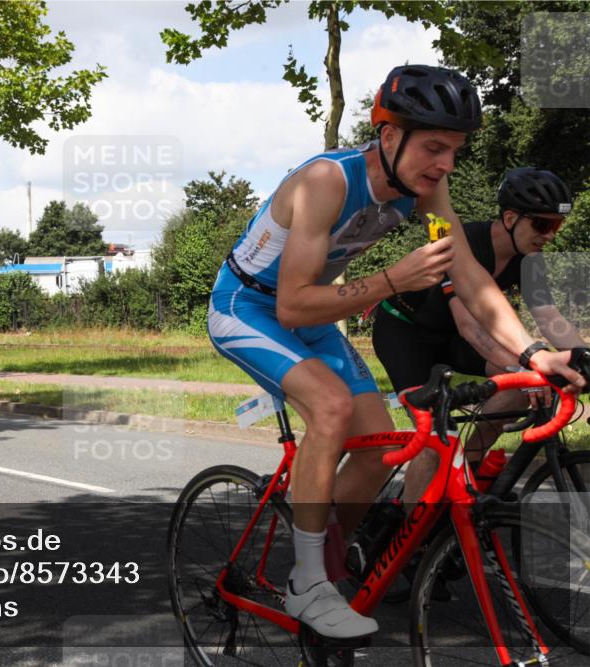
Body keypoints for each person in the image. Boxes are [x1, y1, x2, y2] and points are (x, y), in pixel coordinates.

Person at [207, 65, 585, 639]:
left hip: (317, 309)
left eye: (454, 151)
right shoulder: (326, 181)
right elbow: (290, 308)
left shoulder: (425, 187)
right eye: (434, 147)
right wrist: (392, 279)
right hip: (249, 306)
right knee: (331, 408)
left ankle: (326, 560)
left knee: (375, 446)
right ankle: (307, 582)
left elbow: (473, 279)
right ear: (388, 136)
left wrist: (535, 353)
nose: (445, 165)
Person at [373, 167, 585, 469]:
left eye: (557, 225)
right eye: (542, 224)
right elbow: (469, 326)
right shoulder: (464, 244)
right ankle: (416, 513)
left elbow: (549, 317)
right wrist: (520, 366)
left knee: (518, 393)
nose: (550, 235)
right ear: (511, 218)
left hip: (451, 338)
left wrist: (583, 356)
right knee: (436, 440)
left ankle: (467, 467)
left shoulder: (530, 259)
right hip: (406, 335)